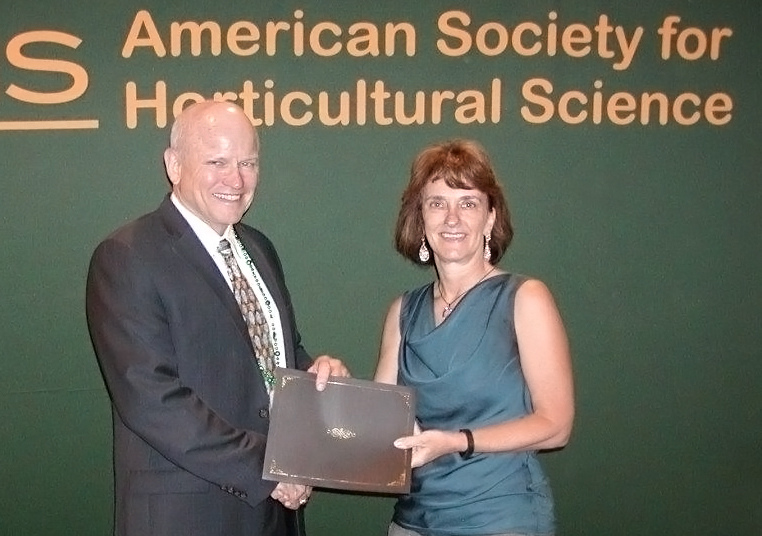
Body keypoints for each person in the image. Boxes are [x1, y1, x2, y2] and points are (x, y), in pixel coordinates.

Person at [86, 100, 349, 536]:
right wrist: (269, 467)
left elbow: (273, 357)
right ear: (174, 165)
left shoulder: (259, 248)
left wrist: (314, 372)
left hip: (275, 512)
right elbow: (152, 399)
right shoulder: (128, 255)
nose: (237, 179)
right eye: (217, 161)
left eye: (248, 162)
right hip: (190, 513)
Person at [374, 139, 574, 536]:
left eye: (467, 203)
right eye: (437, 203)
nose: (452, 218)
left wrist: (455, 441)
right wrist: (325, 378)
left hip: (499, 517)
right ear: (421, 218)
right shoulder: (403, 311)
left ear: (490, 218)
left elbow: (556, 425)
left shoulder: (525, 298)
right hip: (414, 520)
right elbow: (380, 422)